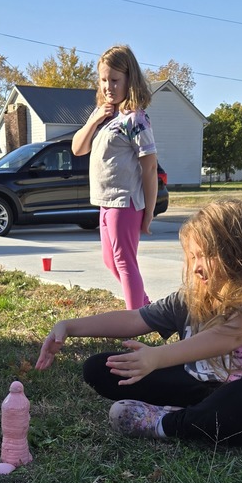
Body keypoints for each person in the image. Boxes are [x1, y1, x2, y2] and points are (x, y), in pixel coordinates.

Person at [36, 199, 242, 447]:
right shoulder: (195, 294)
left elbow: (231, 335)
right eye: (192, 257)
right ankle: (196, 417)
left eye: (205, 256)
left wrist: (156, 357)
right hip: (203, 386)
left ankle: (165, 424)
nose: (196, 268)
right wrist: (69, 326)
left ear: (240, 251)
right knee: (101, 368)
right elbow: (136, 318)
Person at [72, 44, 158, 310]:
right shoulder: (105, 115)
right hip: (105, 202)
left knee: (124, 262)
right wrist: (94, 120)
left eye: (115, 80)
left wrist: (149, 212)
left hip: (125, 202)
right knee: (111, 262)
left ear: (130, 79)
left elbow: (150, 168)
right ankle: (148, 311)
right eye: (103, 80)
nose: (108, 86)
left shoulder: (136, 119)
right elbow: (78, 149)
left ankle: (135, 322)